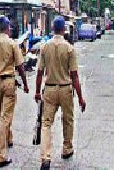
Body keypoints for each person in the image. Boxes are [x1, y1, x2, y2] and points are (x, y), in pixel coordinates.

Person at [35, 16, 86, 170]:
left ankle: (45, 157)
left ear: (52, 29)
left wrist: (37, 92)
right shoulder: (69, 48)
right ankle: (67, 148)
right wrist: (81, 98)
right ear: (64, 29)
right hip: (65, 89)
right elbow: (74, 76)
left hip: (49, 89)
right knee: (68, 119)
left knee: (46, 123)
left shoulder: (45, 47)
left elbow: (39, 72)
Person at [0, 16, 29, 168]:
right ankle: (0, 156)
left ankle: (9, 138)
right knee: (5, 117)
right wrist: (25, 83)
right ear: (8, 28)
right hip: (9, 82)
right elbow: (20, 66)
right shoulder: (12, 44)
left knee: (2, 113)